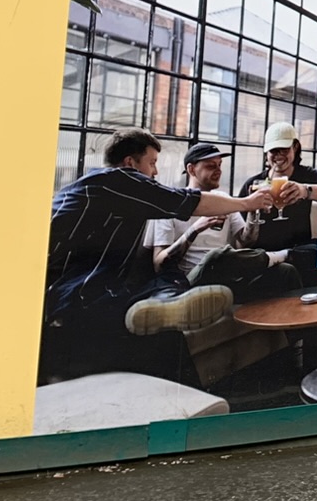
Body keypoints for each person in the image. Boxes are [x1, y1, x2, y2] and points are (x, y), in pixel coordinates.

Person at [42, 128, 303, 382]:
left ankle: (167, 310)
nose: (155, 172)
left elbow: (241, 236)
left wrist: (249, 212)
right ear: (130, 163)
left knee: (161, 325)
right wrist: (247, 203)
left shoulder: (109, 193)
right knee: (162, 308)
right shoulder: (115, 181)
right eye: (152, 163)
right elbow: (184, 202)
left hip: (88, 290)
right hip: (62, 295)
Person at [145, 142, 300, 303]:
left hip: (229, 275)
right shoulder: (172, 205)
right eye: (211, 166)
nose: (218, 171)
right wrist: (195, 229)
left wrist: (254, 212)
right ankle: (284, 255)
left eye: (219, 165)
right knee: (217, 255)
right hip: (190, 279)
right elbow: (159, 264)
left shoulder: (224, 200)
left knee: (285, 271)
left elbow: (246, 241)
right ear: (191, 169)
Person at [239, 121, 317, 280]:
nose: (278, 155)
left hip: (303, 250)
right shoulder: (253, 184)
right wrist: (253, 210)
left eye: (284, 149)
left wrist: (305, 190)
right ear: (266, 153)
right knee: (291, 271)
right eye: (273, 151)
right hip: (267, 257)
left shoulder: (308, 176)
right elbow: (245, 240)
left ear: (295, 148)